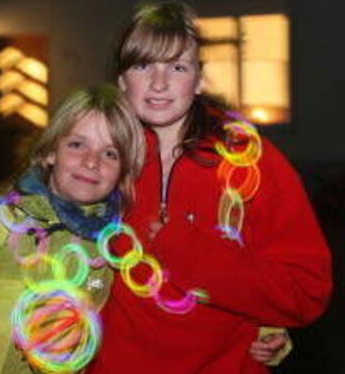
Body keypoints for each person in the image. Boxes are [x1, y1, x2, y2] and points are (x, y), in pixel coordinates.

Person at [87, 2, 332, 373]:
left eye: (178, 67)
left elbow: (305, 291)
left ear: (199, 79)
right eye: (142, 65)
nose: (158, 83)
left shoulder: (251, 163)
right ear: (122, 80)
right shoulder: (101, 154)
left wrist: (192, 253)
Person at [0, 84, 145, 373]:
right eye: (77, 145)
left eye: (110, 154)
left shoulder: (110, 255)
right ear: (50, 153)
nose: (91, 162)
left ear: (122, 173)